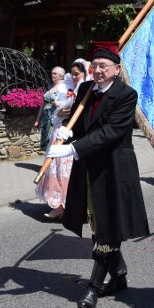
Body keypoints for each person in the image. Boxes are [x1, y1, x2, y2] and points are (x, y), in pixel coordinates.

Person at [46, 47, 150, 308]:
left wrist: (72, 149)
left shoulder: (126, 95)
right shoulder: (86, 90)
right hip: (90, 166)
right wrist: (68, 133)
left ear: (116, 69)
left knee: (107, 222)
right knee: (97, 221)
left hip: (114, 168)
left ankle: (93, 287)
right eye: (95, 65)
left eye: (104, 66)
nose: (99, 70)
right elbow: (82, 125)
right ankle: (120, 274)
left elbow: (112, 131)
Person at [34, 61, 87, 219]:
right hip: (61, 132)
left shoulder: (88, 89)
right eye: (73, 74)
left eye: (77, 74)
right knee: (56, 169)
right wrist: (61, 112)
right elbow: (57, 113)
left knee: (71, 172)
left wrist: (69, 114)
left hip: (76, 137)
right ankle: (59, 205)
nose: (74, 77)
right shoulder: (68, 88)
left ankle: (74, 206)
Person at [34, 66, 66, 151]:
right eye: (52, 73)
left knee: (53, 141)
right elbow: (43, 104)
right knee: (47, 143)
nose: (52, 75)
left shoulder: (64, 88)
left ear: (61, 76)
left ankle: (52, 163)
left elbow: (67, 103)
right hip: (46, 119)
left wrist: (58, 104)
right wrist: (38, 119)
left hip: (55, 119)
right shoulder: (50, 86)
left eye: (55, 73)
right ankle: (47, 163)